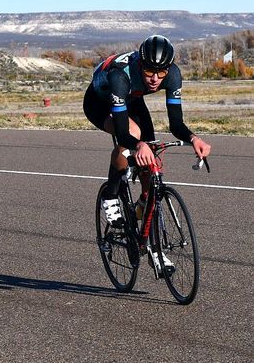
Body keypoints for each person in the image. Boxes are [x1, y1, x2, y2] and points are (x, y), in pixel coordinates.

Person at [84, 35, 211, 234]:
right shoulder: (119, 76)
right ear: (140, 64)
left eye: (161, 72)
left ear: (169, 68)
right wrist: (137, 145)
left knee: (150, 148)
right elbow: (123, 133)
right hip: (100, 102)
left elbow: (176, 124)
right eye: (150, 71)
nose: (155, 79)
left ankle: (145, 201)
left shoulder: (172, 74)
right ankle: (110, 196)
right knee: (133, 136)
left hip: (132, 98)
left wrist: (194, 138)